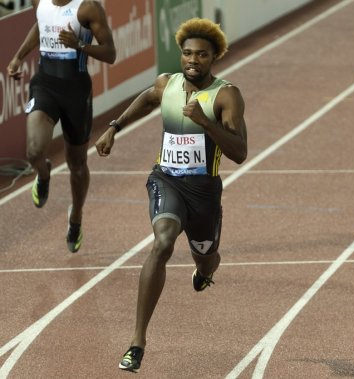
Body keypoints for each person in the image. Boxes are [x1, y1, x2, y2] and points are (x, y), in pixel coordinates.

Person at [95, 18, 248, 372]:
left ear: (214, 57)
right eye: (187, 54)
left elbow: (240, 152)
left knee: (205, 257)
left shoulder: (226, 95)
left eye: (202, 55)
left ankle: (206, 268)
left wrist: (205, 122)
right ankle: (137, 341)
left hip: (204, 191)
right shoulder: (167, 84)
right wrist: (114, 128)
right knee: (162, 243)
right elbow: (147, 99)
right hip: (166, 180)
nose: (193, 60)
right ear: (181, 55)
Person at [7, 0, 116, 253]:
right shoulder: (40, 2)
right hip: (45, 84)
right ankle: (44, 175)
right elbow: (41, 24)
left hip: (76, 92)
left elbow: (110, 53)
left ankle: (76, 217)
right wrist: (18, 57)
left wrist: (79, 44)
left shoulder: (88, 8)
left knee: (77, 165)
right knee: (34, 151)